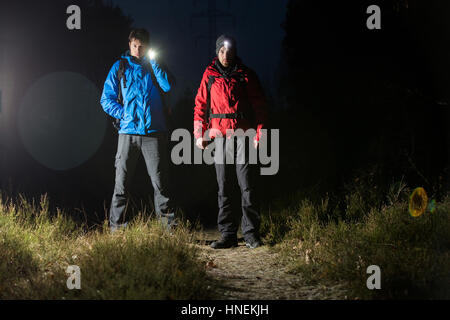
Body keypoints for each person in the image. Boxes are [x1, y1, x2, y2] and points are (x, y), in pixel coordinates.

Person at [193, 34, 268, 249]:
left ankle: (251, 233)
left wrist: (260, 133)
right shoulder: (209, 75)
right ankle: (228, 234)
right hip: (220, 139)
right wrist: (199, 135)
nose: (226, 55)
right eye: (222, 51)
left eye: (229, 51)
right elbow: (200, 106)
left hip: (243, 136)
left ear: (235, 51)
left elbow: (260, 106)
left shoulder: (246, 75)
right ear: (217, 51)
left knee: (247, 185)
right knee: (224, 186)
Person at [100, 28, 175, 232]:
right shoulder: (120, 66)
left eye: (142, 46)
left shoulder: (154, 66)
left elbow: (167, 86)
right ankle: (117, 229)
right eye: (135, 46)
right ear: (130, 45)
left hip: (153, 133)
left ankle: (168, 231)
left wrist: (156, 63)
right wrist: (123, 114)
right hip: (127, 133)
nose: (138, 50)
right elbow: (106, 99)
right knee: (121, 183)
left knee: (161, 184)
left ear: (148, 47)